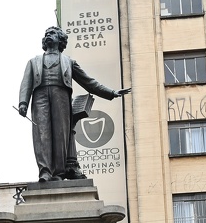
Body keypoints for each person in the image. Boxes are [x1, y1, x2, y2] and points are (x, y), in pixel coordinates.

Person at [18, 27, 130, 182]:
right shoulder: (33, 61)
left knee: (60, 134)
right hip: (40, 96)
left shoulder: (68, 62)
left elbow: (88, 82)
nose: (48, 36)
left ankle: (58, 173)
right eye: (46, 34)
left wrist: (110, 92)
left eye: (52, 34)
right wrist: (23, 102)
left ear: (60, 40)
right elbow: (26, 83)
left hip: (61, 96)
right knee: (41, 134)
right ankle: (45, 171)